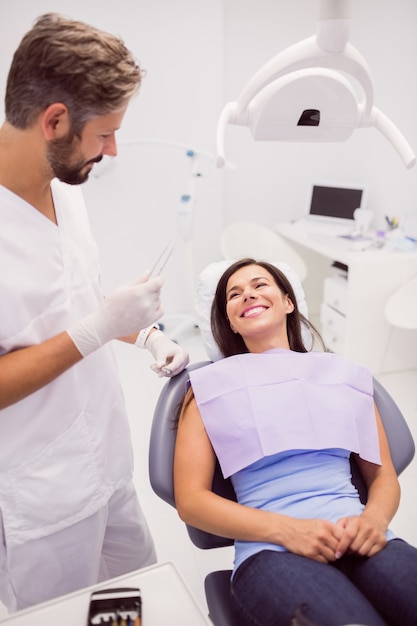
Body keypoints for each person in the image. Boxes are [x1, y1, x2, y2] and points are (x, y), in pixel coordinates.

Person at [0, 13, 189, 612]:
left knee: (139, 601)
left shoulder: (66, 186)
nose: (113, 149)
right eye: (105, 133)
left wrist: (147, 333)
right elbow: (87, 326)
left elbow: (83, 299)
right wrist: (99, 327)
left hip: (108, 466)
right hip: (43, 496)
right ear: (54, 120)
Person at [174, 258, 417, 626]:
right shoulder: (209, 388)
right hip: (271, 551)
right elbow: (191, 501)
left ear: (288, 302)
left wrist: (375, 519)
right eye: (234, 294)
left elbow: (382, 476)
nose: (248, 295)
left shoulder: (343, 374)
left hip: (359, 533)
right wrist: (286, 530)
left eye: (260, 285)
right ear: (230, 320)